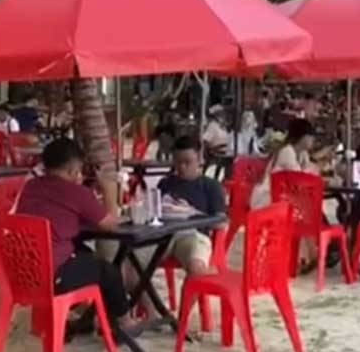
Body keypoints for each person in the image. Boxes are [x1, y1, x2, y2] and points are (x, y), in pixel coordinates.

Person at [15, 138, 142, 335]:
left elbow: (59, 216)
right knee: (108, 271)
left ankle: (89, 316)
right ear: (72, 171)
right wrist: (108, 188)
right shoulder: (77, 193)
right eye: (79, 171)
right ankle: (125, 322)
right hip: (54, 278)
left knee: (85, 254)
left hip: (23, 273)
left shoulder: (31, 187)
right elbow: (109, 224)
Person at [156, 137, 226, 278]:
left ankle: (210, 276)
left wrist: (192, 213)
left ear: (199, 160)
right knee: (134, 260)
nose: (182, 167)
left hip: (193, 236)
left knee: (196, 269)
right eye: (178, 162)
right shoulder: (165, 183)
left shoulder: (210, 186)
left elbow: (221, 223)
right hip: (163, 235)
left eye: (187, 162)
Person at [250, 118, 325, 209]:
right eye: (311, 136)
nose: (313, 140)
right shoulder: (287, 152)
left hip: (281, 200)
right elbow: (299, 178)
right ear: (302, 137)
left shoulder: (302, 154)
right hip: (266, 200)